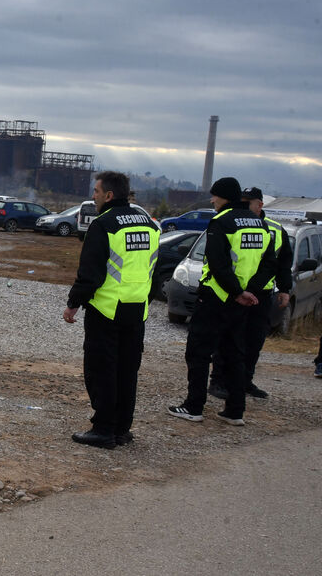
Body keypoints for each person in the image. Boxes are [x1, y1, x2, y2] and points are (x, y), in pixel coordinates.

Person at [63, 171, 159, 448]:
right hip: (136, 310)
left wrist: (73, 304)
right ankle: (121, 430)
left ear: (108, 195)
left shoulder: (104, 224)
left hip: (106, 311)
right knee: (127, 371)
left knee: (101, 370)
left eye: (96, 191)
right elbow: (151, 269)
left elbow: (90, 273)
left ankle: (104, 430)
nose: (92, 196)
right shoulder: (150, 225)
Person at [168, 177, 275, 426]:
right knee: (235, 354)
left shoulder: (222, 221)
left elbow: (217, 263)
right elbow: (270, 263)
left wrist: (236, 291)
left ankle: (193, 406)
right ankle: (235, 410)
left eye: (214, 196)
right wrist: (250, 292)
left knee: (198, 353)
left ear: (224, 196)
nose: (212, 200)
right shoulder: (259, 224)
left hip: (217, 298)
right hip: (243, 302)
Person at [208, 186, 291, 400]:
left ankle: (245, 381)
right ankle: (218, 381)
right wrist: (237, 290)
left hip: (260, 295)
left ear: (259, 205)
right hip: (232, 293)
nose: (243, 205)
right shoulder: (229, 222)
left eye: (248, 202)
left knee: (254, 340)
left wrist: (284, 289)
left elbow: (281, 262)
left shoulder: (273, 228)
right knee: (226, 340)